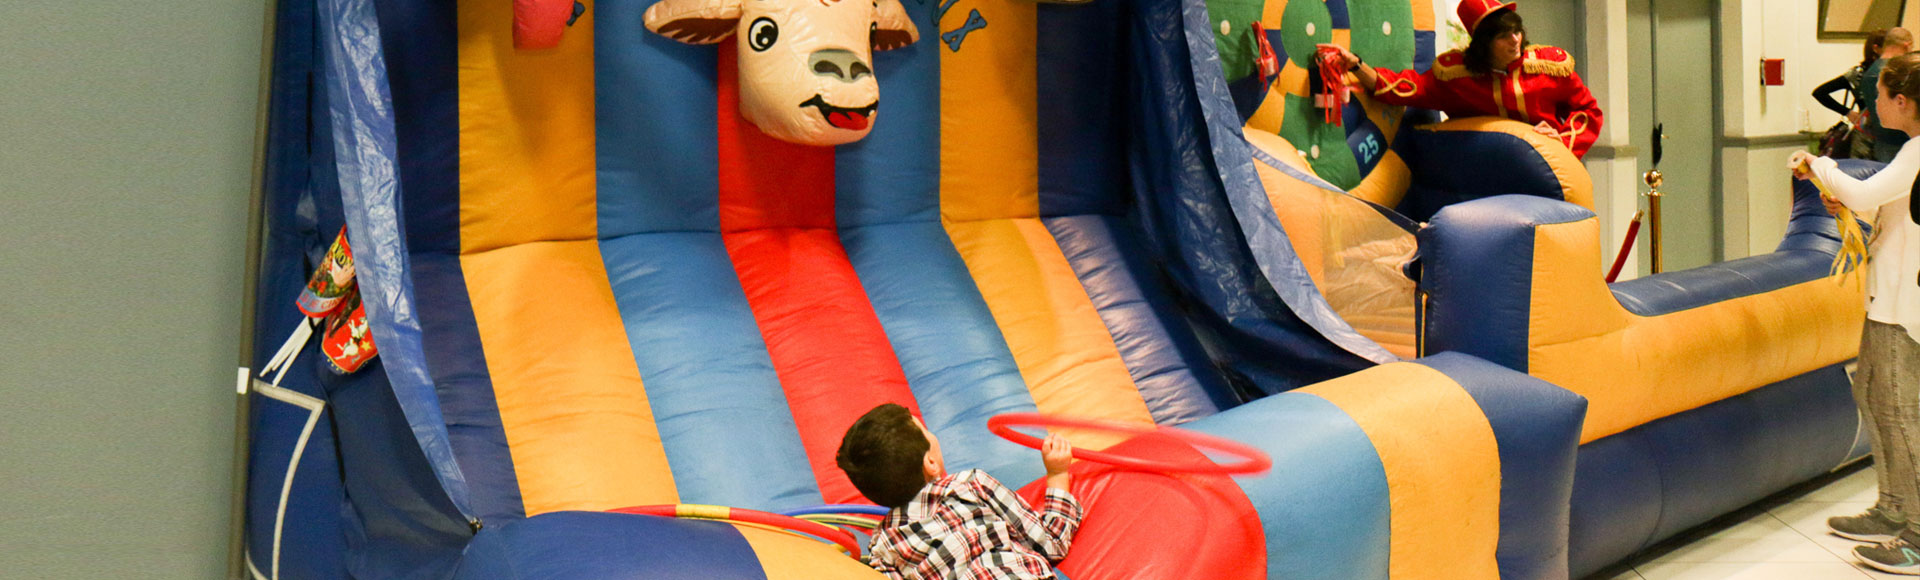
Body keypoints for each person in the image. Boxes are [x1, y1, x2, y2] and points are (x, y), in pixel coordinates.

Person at [1790, 51, 1920, 576]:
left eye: (1880, 96)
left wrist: (1819, 165)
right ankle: (1893, 506)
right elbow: (1885, 205)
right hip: (1886, 294)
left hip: (1902, 300)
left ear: (1902, 101)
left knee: (1899, 412)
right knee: (1869, 390)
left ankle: (1915, 531)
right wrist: (1845, 203)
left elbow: (1865, 190)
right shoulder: (1910, 153)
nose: (1873, 105)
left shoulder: (1916, 152)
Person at [1319, 0, 1604, 158]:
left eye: (1516, 31)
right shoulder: (1457, 77)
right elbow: (1404, 88)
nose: (1515, 40)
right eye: (1503, 36)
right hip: (1484, 176)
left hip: (1550, 171)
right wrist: (1355, 64)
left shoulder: (1548, 68)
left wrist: (1564, 137)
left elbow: (1589, 111)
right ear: (1483, 43)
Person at [836, 403, 1082, 580]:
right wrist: (1057, 474)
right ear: (930, 463)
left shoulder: (883, 547)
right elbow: (1051, 544)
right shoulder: (971, 484)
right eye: (925, 431)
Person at [1812, 30, 1884, 159]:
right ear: (1877, 49)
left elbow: (1820, 92)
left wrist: (1847, 112)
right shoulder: (1859, 74)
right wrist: (1848, 112)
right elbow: (1819, 92)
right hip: (1868, 136)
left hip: (1867, 134)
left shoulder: (1857, 74)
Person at [1863, 28, 1915, 162]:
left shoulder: (1870, 71)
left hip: (1881, 140)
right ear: (1907, 45)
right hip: (1903, 140)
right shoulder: (1897, 72)